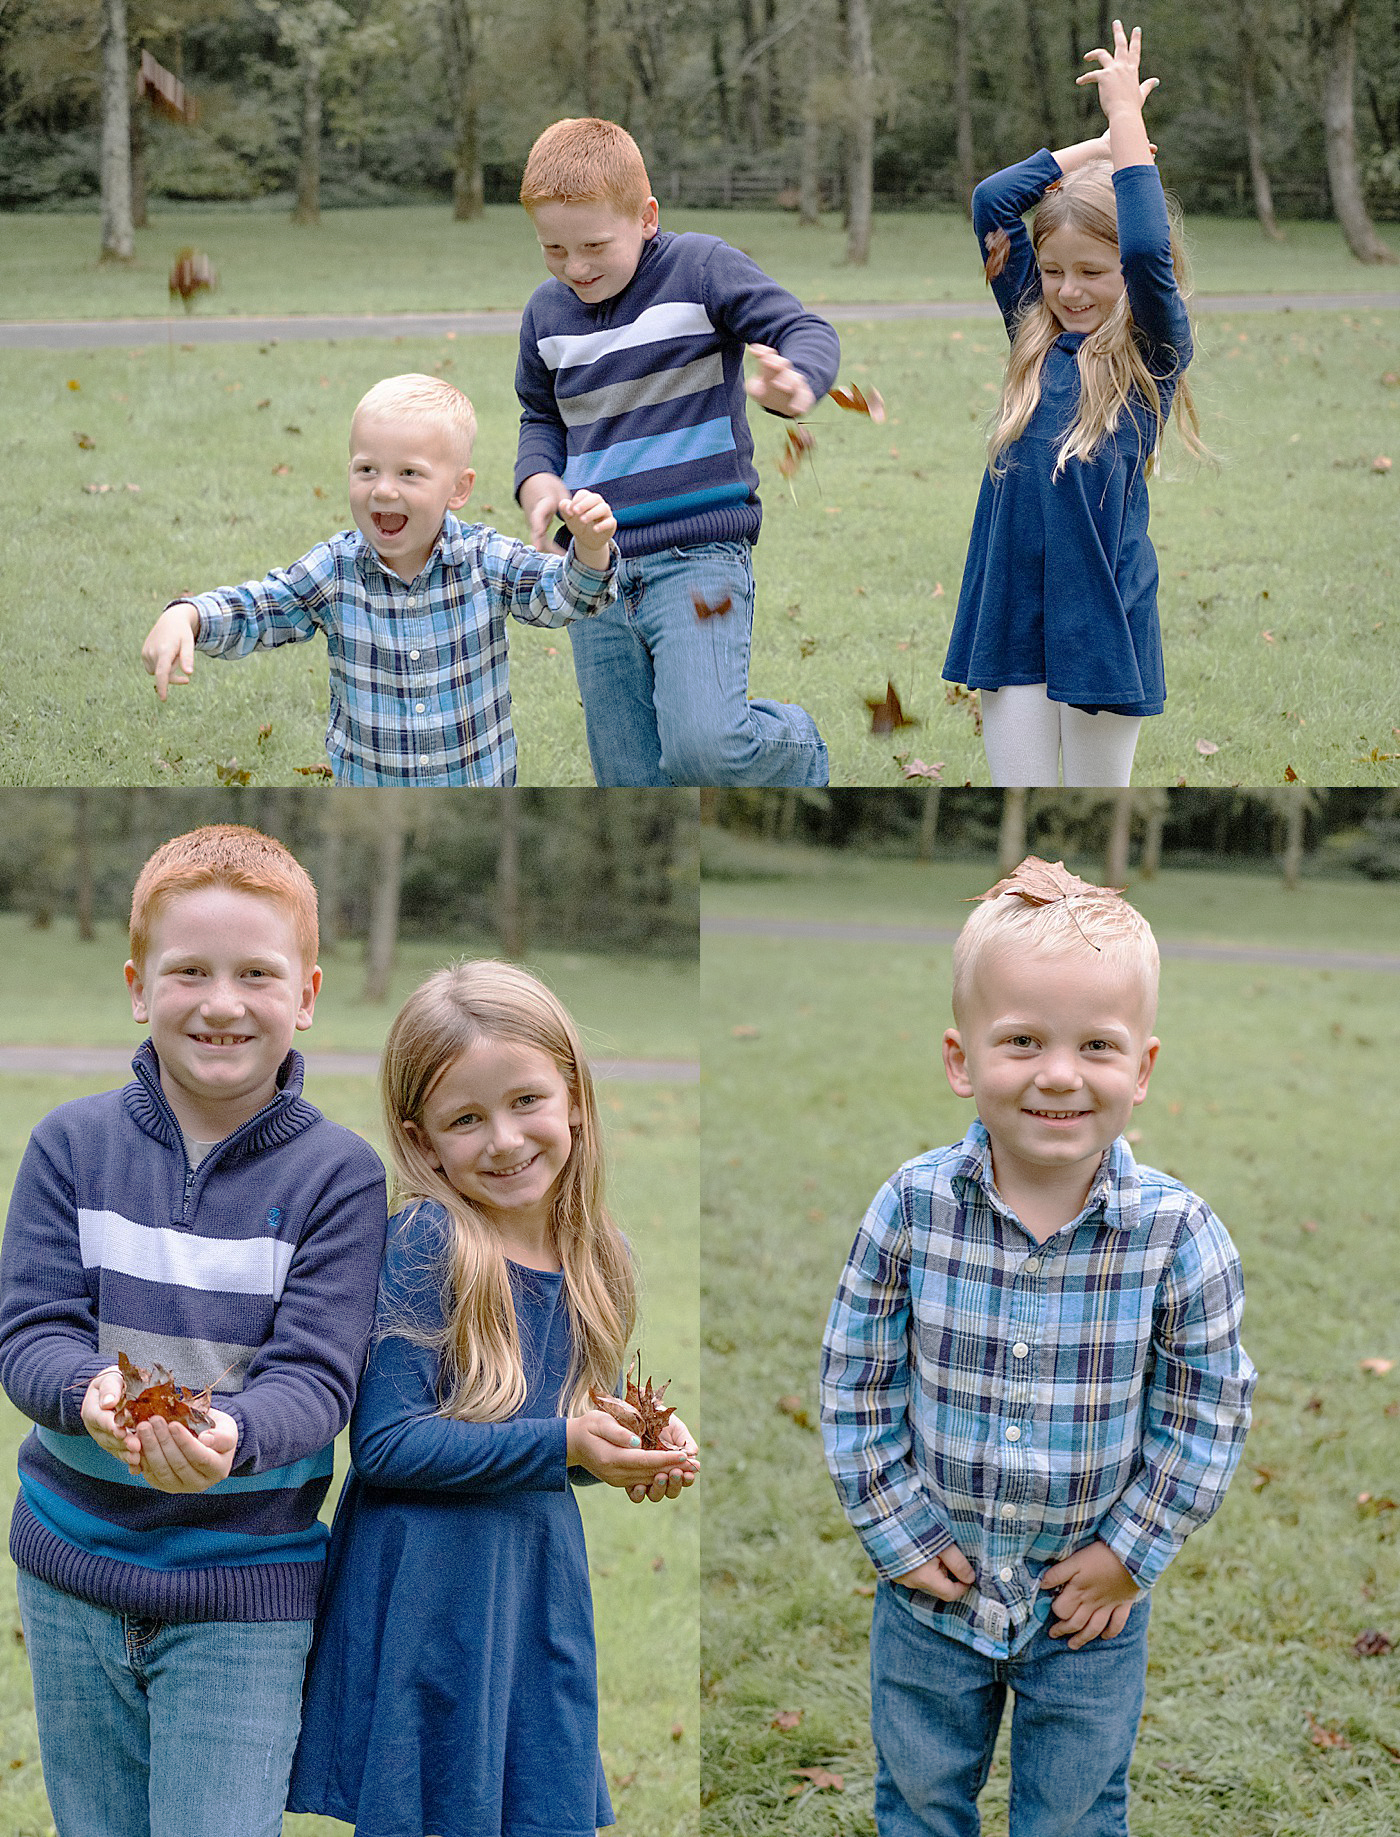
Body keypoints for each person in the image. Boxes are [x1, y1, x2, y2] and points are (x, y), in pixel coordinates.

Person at [820, 856, 1255, 1837]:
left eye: (1095, 1044)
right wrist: (897, 1534)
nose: (1058, 1073)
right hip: (933, 1588)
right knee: (920, 1798)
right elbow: (854, 1380)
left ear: (1140, 1068)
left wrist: (1127, 1555)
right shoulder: (911, 1208)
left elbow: (1205, 1409)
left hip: (1088, 1607)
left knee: (1072, 1812)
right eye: (1021, 1040)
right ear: (959, 1058)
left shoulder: (1178, 1236)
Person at [0, 824, 388, 1837]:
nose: (222, 1002)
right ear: (138, 985)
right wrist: (87, 1393)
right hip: (68, 1568)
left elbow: (315, 1374)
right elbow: (31, 1332)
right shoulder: (69, 1146)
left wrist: (233, 1437)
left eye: (256, 973)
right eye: (190, 971)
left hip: (242, 1593)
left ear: (304, 994)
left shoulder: (336, 1177)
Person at [287, 960, 699, 1837]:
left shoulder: (599, 1255)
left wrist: (628, 1447)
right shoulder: (428, 1240)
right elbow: (389, 1443)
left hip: (534, 1586)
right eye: (467, 1119)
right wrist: (569, 1444)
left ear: (575, 1097)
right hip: (430, 1596)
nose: (504, 1139)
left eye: (526, 1102)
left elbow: (560, 1428)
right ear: (424, 1138)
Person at [514, 116, 839, 788]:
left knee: (706, 749)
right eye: (553, 249)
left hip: (699, 558)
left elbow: (799, 327)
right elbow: (540, 415)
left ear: (647, 217)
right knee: (632, 777)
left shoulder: (701, 268)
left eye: (595, 244)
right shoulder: (545, 315)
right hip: (593, 573)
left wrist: (797, 380)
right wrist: (539, 479)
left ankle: (799, 747)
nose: (574, 268)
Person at [942, 22, 1208, 788]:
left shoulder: (1151, 355)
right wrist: (1090, 151)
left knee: (1097, 804)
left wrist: (1130, 128)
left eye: (1092, 270)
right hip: (1010, 612)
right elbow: (994, 201)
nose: (1068, 290)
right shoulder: (1033, 327)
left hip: (1103, 621)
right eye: (1054, 269)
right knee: (1019, 800)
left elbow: (1147, 250)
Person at [140, 373, 619, 786]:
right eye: (367, 469)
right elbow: (264, 606)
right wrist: (189, 615)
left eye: (409, 473)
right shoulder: (335, 569)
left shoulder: (484, 559)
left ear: (458, 489)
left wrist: (591, 547)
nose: (384, 489)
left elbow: (561, 597)